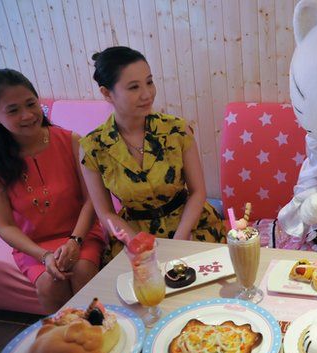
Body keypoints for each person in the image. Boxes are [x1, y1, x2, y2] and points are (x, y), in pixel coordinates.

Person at [80, 46, 226, 258]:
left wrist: (180, 238)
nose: (147, 94)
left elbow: (197, 192)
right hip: (133, 234)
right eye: (133, 87)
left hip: (190, 225)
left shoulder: (177, 130)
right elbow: (105, 212)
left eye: (149, 82)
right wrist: (135, 243)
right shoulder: (93, 147)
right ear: (106, 93)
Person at [0, 69, 105, 313]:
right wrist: (44, 256)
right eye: (13, 110)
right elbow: (5, 226)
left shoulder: (71, 141)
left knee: (83, 270)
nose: (28, 115)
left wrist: (75, 241)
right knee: (51, 283)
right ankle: (69, 342)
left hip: (80, 232)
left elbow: (91, 200)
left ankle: (105, 336)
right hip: (33, 244)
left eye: (31, 104)